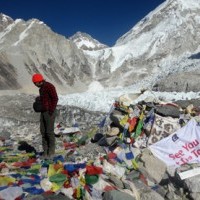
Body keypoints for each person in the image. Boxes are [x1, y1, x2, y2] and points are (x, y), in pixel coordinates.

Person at [32, 73, 58, 159]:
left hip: (49, 112)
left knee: (49, 132)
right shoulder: (41, 88)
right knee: (43, 132)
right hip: (43, 112)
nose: (35, 85)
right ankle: (45, 152)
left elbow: (55, 98)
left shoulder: (49, 86)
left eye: (35, 83)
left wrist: (51, 111)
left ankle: (51, 152)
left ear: (39, 81)